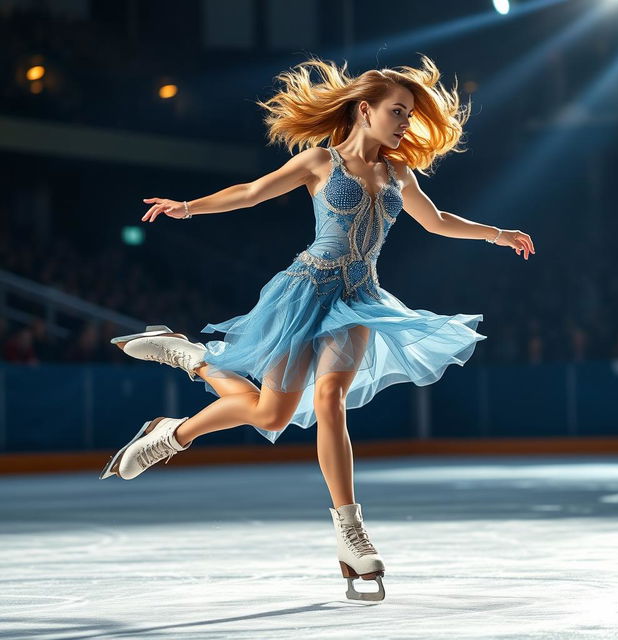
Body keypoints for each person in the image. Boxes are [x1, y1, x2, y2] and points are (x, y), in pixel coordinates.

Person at [99, 55, 535, 601]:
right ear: (363, 109)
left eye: (409, 114)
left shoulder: (400, 172)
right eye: (397, 112)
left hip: (359, 300)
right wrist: (187, 207)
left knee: (330, 398)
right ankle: (183, 389)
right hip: (303, 292)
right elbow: (253, 191)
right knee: (270, 413)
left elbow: (437, 221)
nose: (405, 123)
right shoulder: (320, 163)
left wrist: (498, 234)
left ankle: (350, 533)